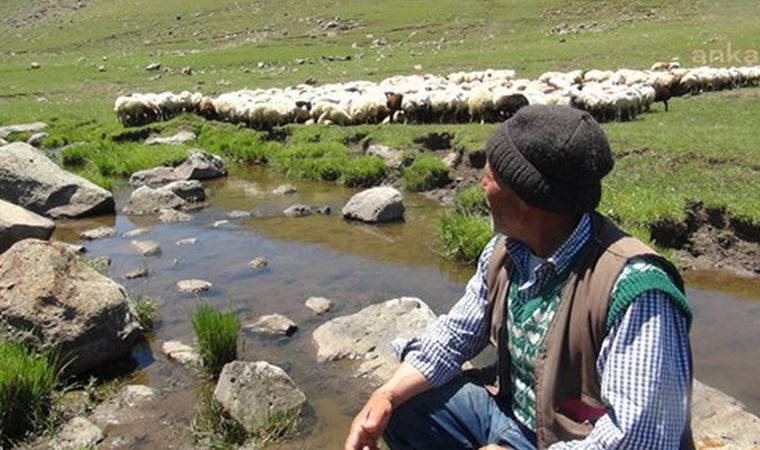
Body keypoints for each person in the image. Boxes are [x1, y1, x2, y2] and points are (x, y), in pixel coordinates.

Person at [344, 105, 694, 450]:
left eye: (490, 176)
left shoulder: (637, 291)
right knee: (401, 409)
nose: (481, 185)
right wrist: (387, 395)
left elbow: (641, 439)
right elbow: (456, 334)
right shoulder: (505, 251)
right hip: (513, 419)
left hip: (572, 440)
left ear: (526, 197)